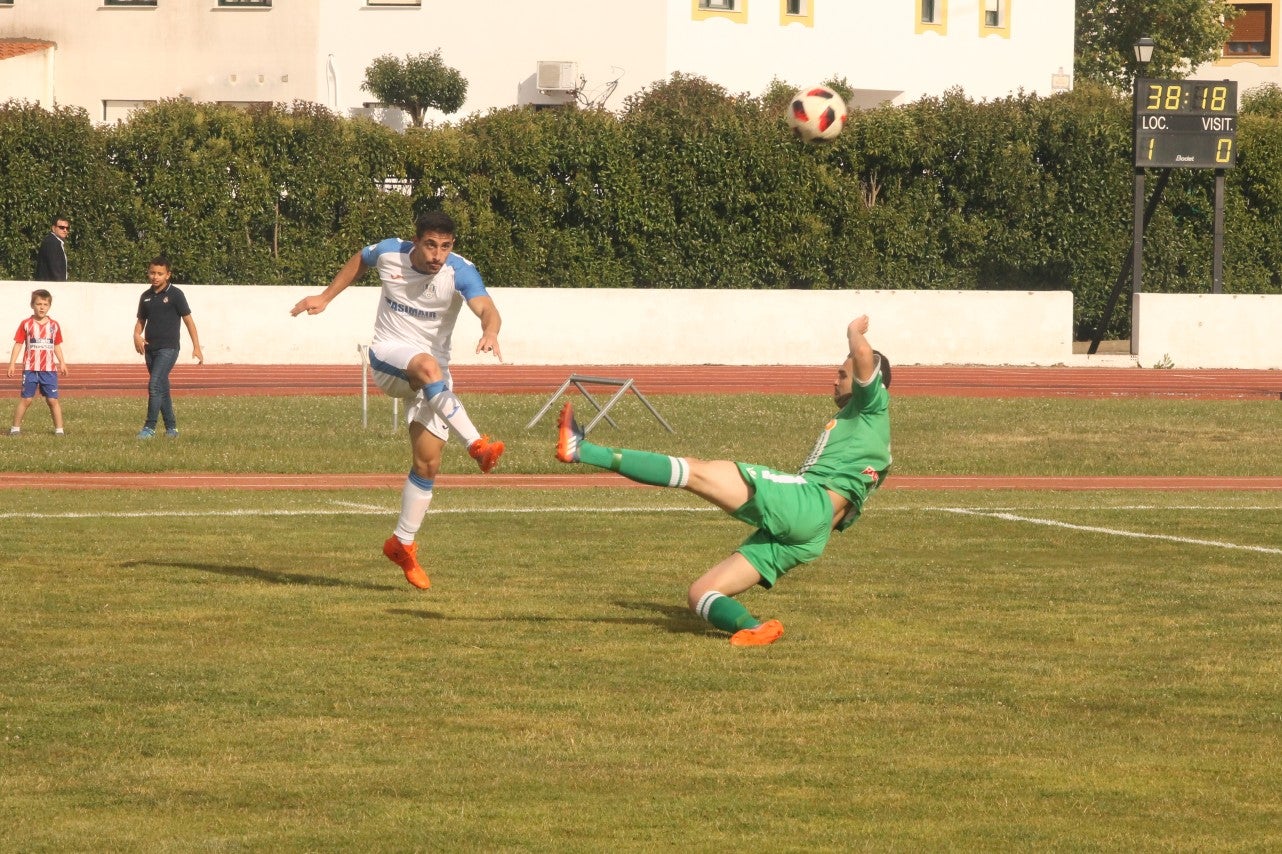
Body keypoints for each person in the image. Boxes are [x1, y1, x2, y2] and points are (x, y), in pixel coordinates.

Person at [555, 315, 892, 647]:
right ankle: (754, 627)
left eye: (841, 374)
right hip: (812, 536)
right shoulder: (869, 432)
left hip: (808, 503)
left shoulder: (872, 405)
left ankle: (582, 450)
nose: (834, 380)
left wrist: (852, 331)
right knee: (701, 593)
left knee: (696, 472)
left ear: (870, 381)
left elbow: (863, 356)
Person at [290, 210, 506, 591]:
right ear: (416, 240)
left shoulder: (460, 272)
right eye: (431, 245)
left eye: (445, 246)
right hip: (391, 362)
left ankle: (401, 543)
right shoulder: (390, 253)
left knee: (427, 463)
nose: (438, 255)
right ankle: (476, 444)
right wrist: (325, 296)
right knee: (426, 365)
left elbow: (486, 307)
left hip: (433, 377)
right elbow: (361, 259)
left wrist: (490, 330)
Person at [133, 256, 203, 438]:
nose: (155, 277)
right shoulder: (146, 296)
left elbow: (189, 321)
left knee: (154, 384)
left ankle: (149, 427)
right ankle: (172, 429)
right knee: (162, 387)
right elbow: (141, 321)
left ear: (168, 275)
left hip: (169, 348)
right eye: (152, 273)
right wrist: (136, 336)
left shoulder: (176, 294)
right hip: (150, 349)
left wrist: (197, 347)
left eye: (159, 274)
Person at [8, 288, 68, 435]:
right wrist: (12, 363)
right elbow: (18, 344)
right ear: (32, 305)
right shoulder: (26, 324)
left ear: (49, 306)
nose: (42, 307)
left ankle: (59, 430)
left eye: (45, 304)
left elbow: (56, 345)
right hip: (30, 369)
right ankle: (15, 429)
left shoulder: (54, 325)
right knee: (27, 399)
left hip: (49, 369)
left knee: (52, 400)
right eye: (39, 304)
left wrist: (62, 362)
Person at [35, 216, 70, 282]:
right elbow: (55, 270)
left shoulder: (55, 242)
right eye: (61, 227)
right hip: (51, 286)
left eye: (67, 228)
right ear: (53, 228)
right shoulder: (52, 243)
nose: (65, 230)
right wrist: (62, 286)